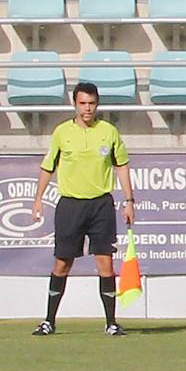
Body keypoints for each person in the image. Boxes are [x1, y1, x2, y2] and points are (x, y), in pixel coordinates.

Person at [28, 82, 135, 337]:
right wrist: (37, 199)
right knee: (62, 263)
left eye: (92, 103)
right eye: (83, 103)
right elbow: (48, 166)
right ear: (74, 104)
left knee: (105, 263)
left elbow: (121, 165)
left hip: (101, 205)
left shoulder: (108, 132)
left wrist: (129, 201)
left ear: (97, 104)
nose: (87, 109)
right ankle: (49, 321)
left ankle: (111, 322)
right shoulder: (62, 132)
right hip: (70, 205)